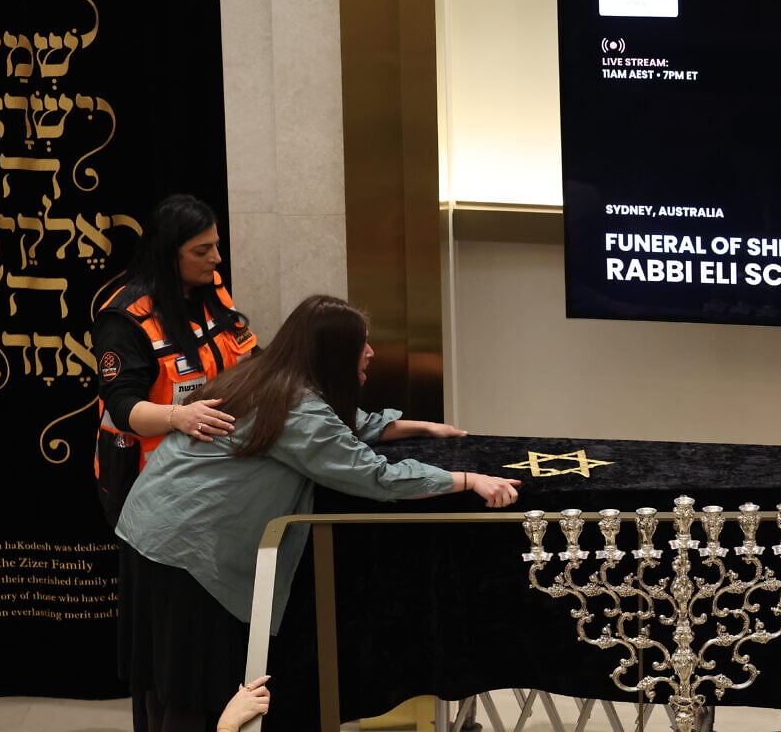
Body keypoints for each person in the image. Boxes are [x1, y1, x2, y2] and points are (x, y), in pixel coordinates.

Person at [115, 294, 521, 732]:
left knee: (165, 684)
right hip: (186, 556)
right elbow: (373, 476)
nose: (370, 353)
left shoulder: (265, 378)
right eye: (361, 344)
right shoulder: (296, 407)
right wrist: (465, 479)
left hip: (151, 536)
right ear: (332, 353)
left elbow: (344, 424)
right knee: (196, 695)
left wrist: (417, 426)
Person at [93, 193, 257, 528]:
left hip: (217, 472)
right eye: (202, 251)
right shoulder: (125, 318)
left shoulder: (213, 290)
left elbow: (247, 355)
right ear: (169, 255)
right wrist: (179, 416)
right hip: (150, 488)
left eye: (215, 245)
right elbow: (123, 408)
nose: (216, 259)